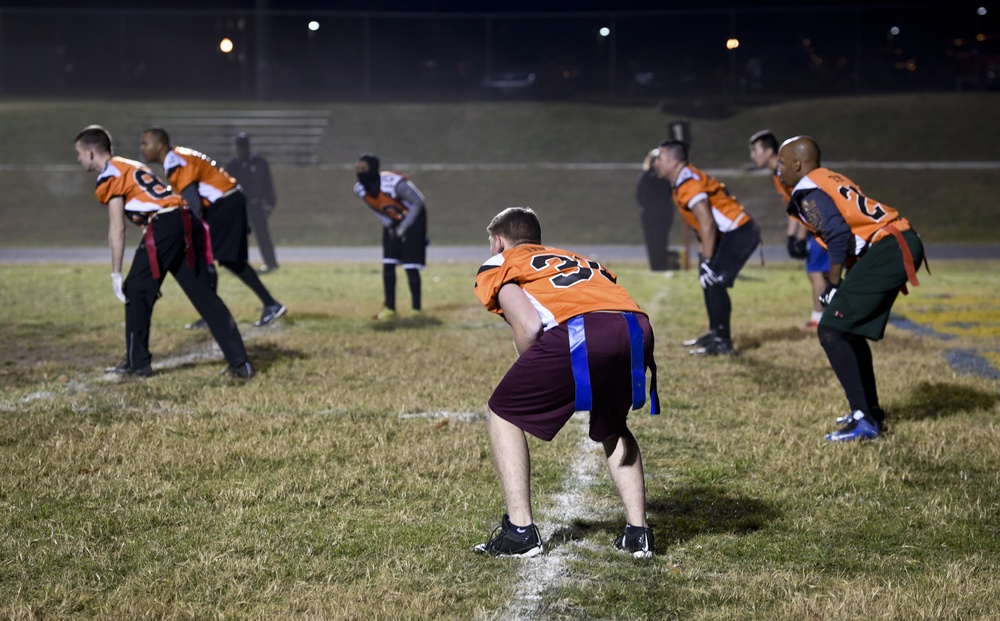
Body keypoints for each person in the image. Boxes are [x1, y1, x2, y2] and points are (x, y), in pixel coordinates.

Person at [472, 207, 659, 558]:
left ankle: (521, 532)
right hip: (636, 328)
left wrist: (536, 375)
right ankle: (638, 533)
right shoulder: (576, 258)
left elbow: (528, 327)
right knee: (613, 424)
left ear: (499, 241)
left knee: (503, 411)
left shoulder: (501, 261)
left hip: (587, 331)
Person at [73, 125, 254, 378]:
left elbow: (117, 228)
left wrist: (115, 273)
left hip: (166, 224)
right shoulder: (131, 165)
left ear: (92, 152)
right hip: (185, 220)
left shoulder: (109, 175)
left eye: (80, 153)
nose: (79, 158)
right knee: (204, 296)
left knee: (135, 289)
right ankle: (241, 364)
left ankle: (137, 364)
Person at [776, 136, 925, 442]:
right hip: (894, 242)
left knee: (830, 329)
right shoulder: (829, 177)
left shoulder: (808, 189)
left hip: (888, 248)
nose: (778, 169)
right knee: (847, 330)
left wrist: (832, 284)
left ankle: (864, 419)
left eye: (781, 162)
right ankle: (869, 411)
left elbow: (838, 234)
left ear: (798, 164)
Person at [138, 128, 286, 329]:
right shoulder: (178, 157)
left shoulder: (175, 162)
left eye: (145, 143)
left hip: (224, 205)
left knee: (217, 257)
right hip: (226, 203)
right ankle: (219, 312)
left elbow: (194, 204)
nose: (142, 148)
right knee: (217, 258)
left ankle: (266, 304)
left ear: (159, 145)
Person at [655, 140, 760, 356]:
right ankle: (715, 333)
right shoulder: (680, 182)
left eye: (660, 158)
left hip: (738, 232)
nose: (656, 163)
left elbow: (708, 222)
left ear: (674, 162)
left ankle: (723, 341)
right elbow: (701, 226)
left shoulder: (688, 182)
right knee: (708, 282)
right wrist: (704, 257)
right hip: (728, 234)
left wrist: (709, 261)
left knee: (714, 281)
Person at [749, 130, 830, 330]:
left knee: (816, 271)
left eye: (755, 150)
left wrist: (800, 237)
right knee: (823, 272)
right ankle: (832, 315)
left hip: (822, 222)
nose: (752, 155)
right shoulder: (778, 174)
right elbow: (793, 207)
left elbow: (805, 202)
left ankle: (819, 320)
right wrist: (791, 236)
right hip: (816, 222)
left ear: (769, 151)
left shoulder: (783, 171)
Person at [353, 153, 428, 320]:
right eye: (358, 168)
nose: (359, 172)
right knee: (388, 264)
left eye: (363, 168)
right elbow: (373, 207)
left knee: (410, 265)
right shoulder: (360, 189)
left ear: (373, 169)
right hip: (392, 221)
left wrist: (404, 227)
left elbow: (418, 202)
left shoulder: (394, 184)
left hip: (413, 219)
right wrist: (389, 224)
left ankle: (416, 309)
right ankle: (390, 308)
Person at [225, 132, 279, 274]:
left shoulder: (259, 163)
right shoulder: (233, 166)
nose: (242, 149)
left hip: (256, 204)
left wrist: (269, 203)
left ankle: (271, 263)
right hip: (240, 206)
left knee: (263, 235)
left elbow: (268, 184)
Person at [634, 147, 676, 271]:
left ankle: (662, 264)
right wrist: (646, 206)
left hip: (664, 212)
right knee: (651, 239)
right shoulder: (645, 176)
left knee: (662, 238)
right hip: (649, 213)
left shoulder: (666, 177)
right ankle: (655, 265)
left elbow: (672, 192)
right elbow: (639, 194)